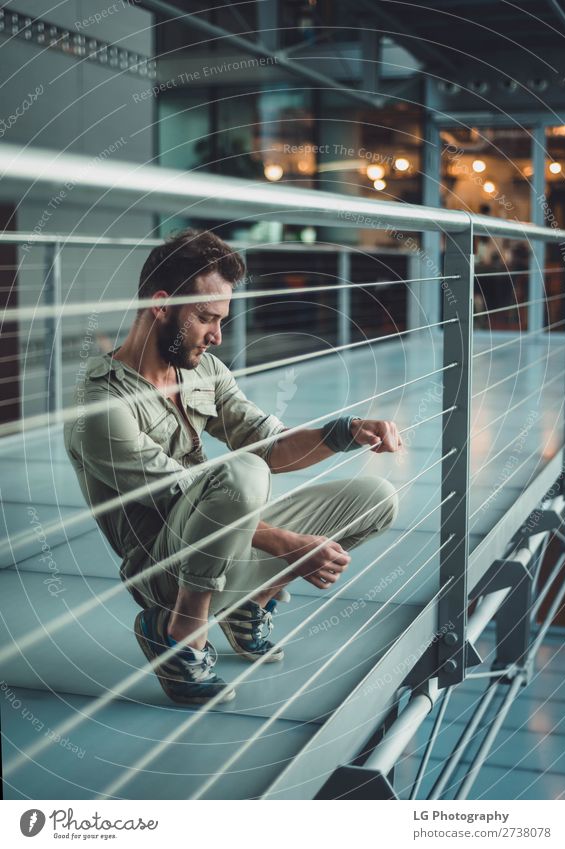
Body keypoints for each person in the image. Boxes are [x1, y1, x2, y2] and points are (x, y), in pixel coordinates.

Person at [64, 229, 401, 706]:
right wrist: (289, 545)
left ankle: (249, 605)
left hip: (225, 544)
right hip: (165, 572)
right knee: (244, 473)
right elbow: (183, 490)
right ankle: (180, 633)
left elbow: (272, 444)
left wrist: (346, 431)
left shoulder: (203, 370)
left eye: (221, 319)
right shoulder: (98, 402)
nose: (218, 335)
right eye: (206, 318)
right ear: (161, 305)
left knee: (375, 500)